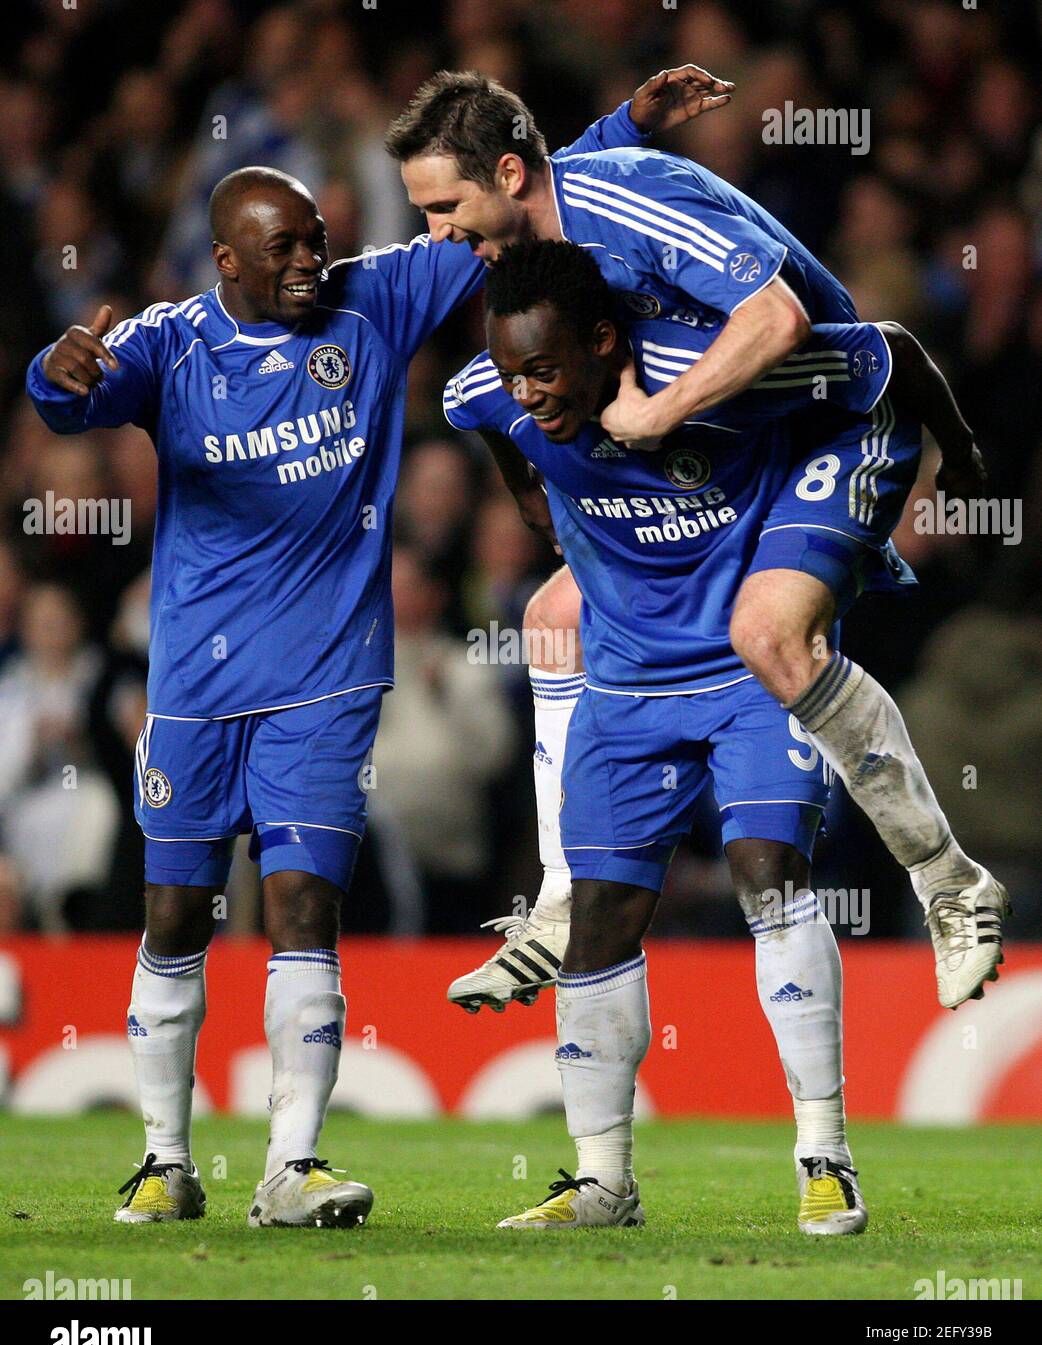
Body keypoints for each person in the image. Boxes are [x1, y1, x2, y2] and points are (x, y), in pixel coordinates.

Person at [24, 70, 712, 1229]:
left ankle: (292, 1166)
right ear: (227, 262)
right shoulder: (168, 344)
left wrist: (627, 125)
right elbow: (72, 400)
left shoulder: (374, 302)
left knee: (301, 906)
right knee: (175, 916)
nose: (312, 262)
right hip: (193, 686)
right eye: (286, 249)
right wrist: (57, 373)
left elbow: (515, 198)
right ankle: (161, 1157)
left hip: (326, 683)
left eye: (319, 241)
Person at [387, 71, 1009, 1009]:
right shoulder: (544, 221)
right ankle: (560, 901)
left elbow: (781, 321)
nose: (435, 231)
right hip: (735, 442)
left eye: (443, 206)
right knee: (556, 613)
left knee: (767, 635)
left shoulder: (633, 200)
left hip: (834, 414)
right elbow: (567, 159)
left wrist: (656, 416)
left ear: (509, 174)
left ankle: (949, 880)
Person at [441, 239, 992, 1232]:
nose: (526, 392)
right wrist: (578, 546)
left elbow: (892, 349)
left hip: (745, 674)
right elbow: (518, 468)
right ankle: (602, 1180)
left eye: (546, 369)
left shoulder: (721, 368)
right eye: (513, 371)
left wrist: (961, 456)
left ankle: (825, 1158)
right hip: (623, 686)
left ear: (607, 340)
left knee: (767, 872)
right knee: (599, 922)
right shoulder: (483, 394)